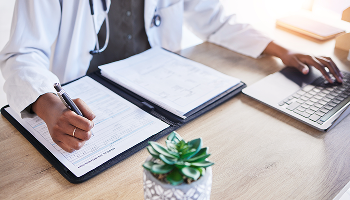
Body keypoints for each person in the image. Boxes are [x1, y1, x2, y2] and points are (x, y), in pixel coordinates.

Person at [0, 0, 342, 152]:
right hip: (88, 102)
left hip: (157, 92)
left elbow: (215, 19)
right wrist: (48, 106)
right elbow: (22, 53)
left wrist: (281, 50)